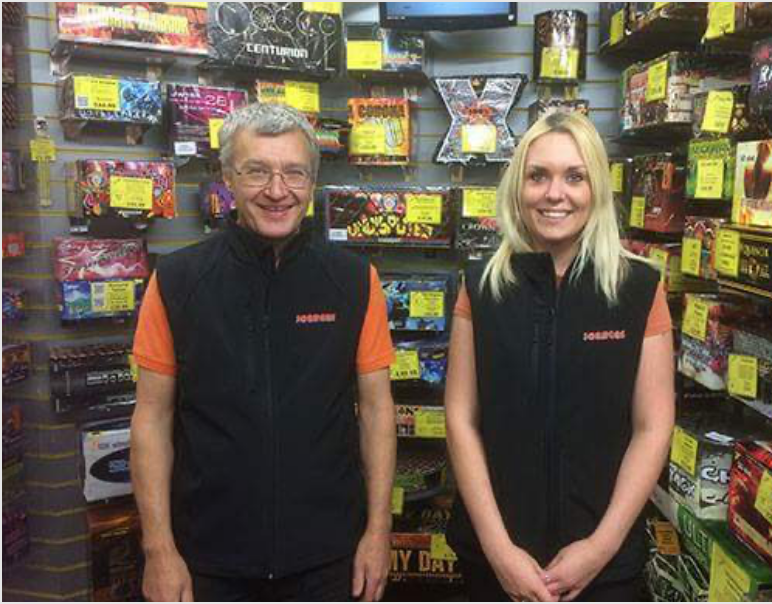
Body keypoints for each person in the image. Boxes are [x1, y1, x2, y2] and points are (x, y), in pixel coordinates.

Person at [130, 103, 397, 602]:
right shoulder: (175, 281)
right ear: (227, 178)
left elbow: (379, 411)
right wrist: (159, 550)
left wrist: (378, 533)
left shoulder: (356, 281)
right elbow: (151, 418)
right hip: (207, 561)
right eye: (257, 171)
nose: (278, 191)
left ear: (312, 181)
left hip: (328, 559)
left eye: (294, 173)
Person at [444, 112, 675, 602]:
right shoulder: (481, 285)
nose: (555, 194)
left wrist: (600, 546)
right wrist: (499, 550)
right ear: (517, 187)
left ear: (597, 188)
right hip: (493, 562)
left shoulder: (639, 288)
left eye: (575, 176)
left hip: (604, 567)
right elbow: (461, 418)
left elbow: (653, 427)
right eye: (538, 176)